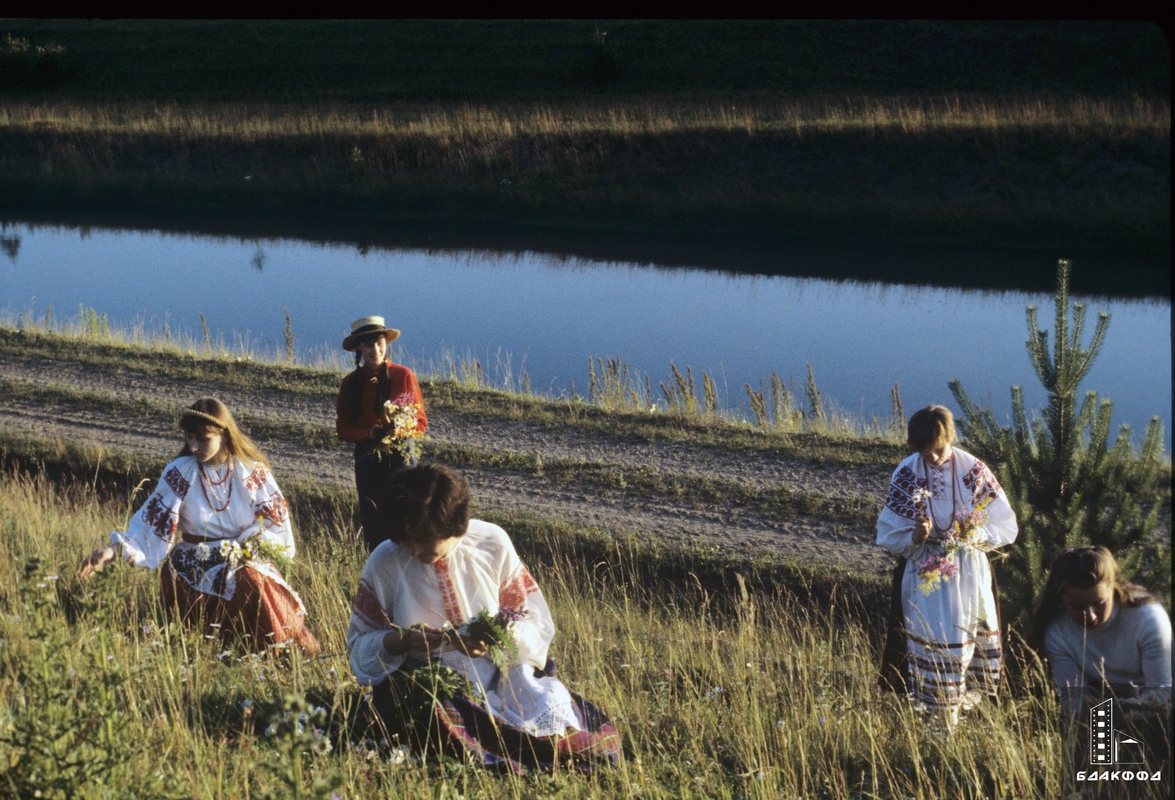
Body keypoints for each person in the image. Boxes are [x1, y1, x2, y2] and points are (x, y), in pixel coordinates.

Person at [346, 463, 621, 771]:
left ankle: (547, 751)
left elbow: (536, 623)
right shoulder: (385, 560)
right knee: (438, 717)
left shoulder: (491, 542)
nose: (412, 549)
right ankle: (519, 752)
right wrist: (401, 642)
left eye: (424, 541)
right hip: (432, 682)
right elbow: (359, 647)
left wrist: (494, 642)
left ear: (457, 527)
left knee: (549, 704)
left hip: (504, 673)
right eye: (403, 539)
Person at [79, 397, 319, 655]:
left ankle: (280, 654)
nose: (193, 447)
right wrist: (112, 551)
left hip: (243, 556)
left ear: (224, 436)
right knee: (243, 581)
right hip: (193, 561)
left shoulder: (252, 471)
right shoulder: (180, 472)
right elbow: (152, 525)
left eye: (202, 439)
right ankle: (231, 650)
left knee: (250, 579)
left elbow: (276, 522)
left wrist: (247, 545)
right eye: (188, 438)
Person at [876, 405, 1018, 728]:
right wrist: (915, 535)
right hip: (925, 574)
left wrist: (973, 532)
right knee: (933, 644)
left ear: (949, 438)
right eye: (926, 453)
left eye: (938, 450)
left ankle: (958, 722)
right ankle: (937, 724)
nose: (934, 458)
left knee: (963, 648)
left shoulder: (973, 470)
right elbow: (886, 533)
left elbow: (1007, 525)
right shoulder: (907, 473)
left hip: (967, 573)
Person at [1029, 545, 1171, 715]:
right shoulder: (1057, 630)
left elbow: (1161, 695)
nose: (1089, 617)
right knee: (1095, 737)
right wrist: (1104, 717)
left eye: (1099, 603)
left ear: (1113, 588)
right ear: (1062, 598)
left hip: (1162, 710)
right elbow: (1074, 700)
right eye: (1076, 606)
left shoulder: (1146, 618)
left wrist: (1116, 714)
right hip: (1107, 709)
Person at [336, 315, 428, 552]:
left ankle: (413, 558)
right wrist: (369, 432)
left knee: (408, 510)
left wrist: (399, 431)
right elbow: (343, 429)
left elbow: (420, 423)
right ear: (358, 348)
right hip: (367, 455)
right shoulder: (350, 383)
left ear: (386, 343)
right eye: (368, 345)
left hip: (401, 452)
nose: (375, 350)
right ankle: (378, 564)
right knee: (373, 514)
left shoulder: (403, 375)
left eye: (379, 343)